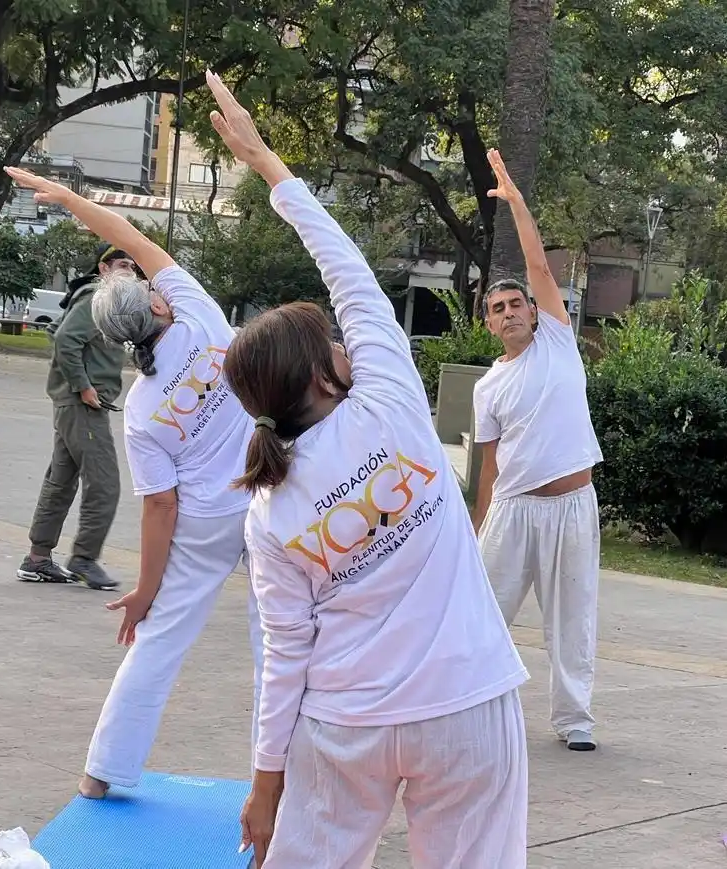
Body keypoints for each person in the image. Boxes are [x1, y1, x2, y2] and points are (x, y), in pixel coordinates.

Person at [204, 72, 529, 869]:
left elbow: (284, 656)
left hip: (344, 726)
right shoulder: (391, 401)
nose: (349, 343)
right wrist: (267, 164)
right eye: (335, 342)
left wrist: (266, 784)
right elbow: (344, 265)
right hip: (466, 705)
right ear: (322, 374)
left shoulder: (270, 509)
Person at [5, 164, 263, 800]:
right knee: (279, 642)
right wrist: (72, 199)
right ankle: (281, 777)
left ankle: (102, 772)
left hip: (203, 523)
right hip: (265, 495)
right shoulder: (201, 318)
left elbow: (162, 507)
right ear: (155, 304)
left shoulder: (143, 410)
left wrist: (147, 590)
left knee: (157, 642)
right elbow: (133, 237)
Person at [471, 150, 604, 752]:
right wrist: (479, 527)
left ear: (533, 310)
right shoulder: (488, 386)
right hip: (513, 510)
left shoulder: (557, 340)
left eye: (515, 303)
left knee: (572, 617)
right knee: (484, 613)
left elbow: (537, 265)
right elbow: (488, 464)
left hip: (573, 506)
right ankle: (471, 705)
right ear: (490, 324)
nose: (509, 313)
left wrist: (518, 204)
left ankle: (574, 721)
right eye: (497, 309)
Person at [16, 242, 133, 591]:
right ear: (104, 268)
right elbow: (66, 339)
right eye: (123, 265)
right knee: (105, 484)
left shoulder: (105, 301)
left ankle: (37, 559)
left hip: (74, 404)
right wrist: (83, 386)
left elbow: (63, 334)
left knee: (60, 481)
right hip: (84, 406)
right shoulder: (96, 299)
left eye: (133, 266)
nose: (130, 271)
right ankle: (84, 559)